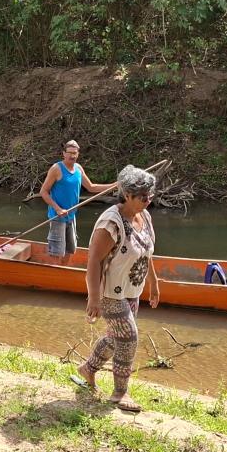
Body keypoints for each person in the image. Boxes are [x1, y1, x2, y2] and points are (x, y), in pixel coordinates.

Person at [71, 165, 161, 413]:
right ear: (127, 195)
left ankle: (87, 370)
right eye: (142, 196)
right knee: (128, 338)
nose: (147, 199)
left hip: (133, 289)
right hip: (111, 293)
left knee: (115, 338)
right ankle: (120, 393)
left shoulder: (144, 217)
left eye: (149, 195)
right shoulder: (111, 222)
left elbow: (147, 252)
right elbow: (93, 260)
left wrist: (154, 283)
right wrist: (94, 298)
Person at [38, 140, 115, 263]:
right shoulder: (56, 169)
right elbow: (43, 192)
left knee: (70, 249)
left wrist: (113, 185)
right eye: (69, 153)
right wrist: (57, 209)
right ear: (63, 153)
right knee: (57, 252)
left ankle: (64, 273)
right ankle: (54, 276)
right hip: (57, 216)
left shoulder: (78, 168)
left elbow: (91, 187)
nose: (72, 156)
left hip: (71, 216)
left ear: (78, 154)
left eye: (75, 153)